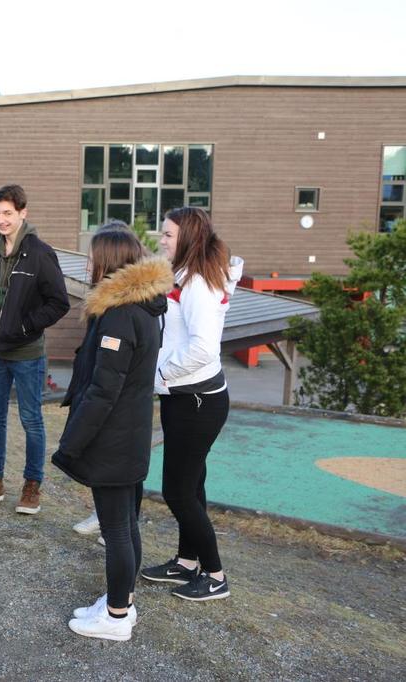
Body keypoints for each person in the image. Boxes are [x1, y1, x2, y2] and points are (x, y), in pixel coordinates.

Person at [50, 225, 172, 641]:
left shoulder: (120, 316)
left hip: (114, 439)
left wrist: (72, 444)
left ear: (108, 263)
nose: (87, 265)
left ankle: (117, 616)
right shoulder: (139, 308)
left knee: (117, 528)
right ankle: (123, 600)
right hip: (130, 434)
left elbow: (104, 391)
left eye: (91, 258)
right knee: (126, 524)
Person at [140, 207, 243, 601]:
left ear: (189, 238)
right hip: (182, 397)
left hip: (197, 401)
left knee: (178, 492)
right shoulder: (183, 275)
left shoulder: (199, 283)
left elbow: (203, 348)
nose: (161, 240)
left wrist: (160, 376)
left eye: (167, 234)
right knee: (192, 485)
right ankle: (185, 563)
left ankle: (215, 576)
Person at [0, 185, 70, 514]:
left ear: (23, 213)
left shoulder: (40, 253)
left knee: (31, 420)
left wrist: (24, 326)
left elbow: (59, 303)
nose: (1, 219)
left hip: (26, 354)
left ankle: (31, 485)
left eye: (8, 213)